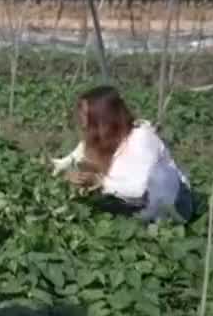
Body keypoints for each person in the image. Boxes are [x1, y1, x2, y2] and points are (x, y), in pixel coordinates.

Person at [50, 85, 195, 223]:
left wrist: (100, 182)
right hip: (134, 202)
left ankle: (155, 228)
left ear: (103, 118)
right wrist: (70, 174)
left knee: (156, 179)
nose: (82, 122)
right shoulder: (101, 140)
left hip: (173, 204)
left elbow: (140, 189)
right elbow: (73, 159)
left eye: (86, 115)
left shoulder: (140, 138)